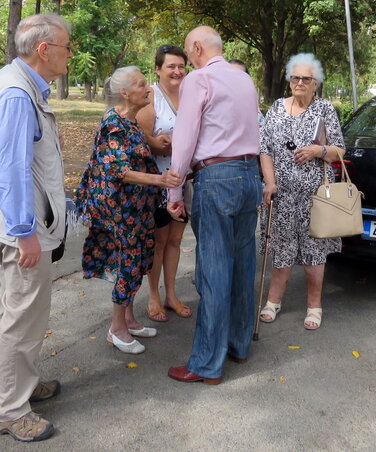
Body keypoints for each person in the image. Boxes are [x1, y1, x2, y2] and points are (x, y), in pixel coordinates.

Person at [0, 14, 73, 442]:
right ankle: (9, 411)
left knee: (24, 316)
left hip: (19, 226)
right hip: (22, 233)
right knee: (20, 319)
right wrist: (24, 232)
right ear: (44, 50)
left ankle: (23, 387)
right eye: (67, 47)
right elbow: (9, 169)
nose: (72, 54)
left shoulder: (15, 85)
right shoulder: (17, 93)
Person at [166, 26, 262, 384]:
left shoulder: (199, 79)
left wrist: (174, 190)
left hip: (216, 178)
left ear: (196, 47)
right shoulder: (244, 80)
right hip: (248, 176)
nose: (189, 59)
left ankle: (207, 363)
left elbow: (186, 134)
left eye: (190, 52)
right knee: (242, 265)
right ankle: (238, 345)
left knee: (215, 270)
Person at [74, 66, 181, 355]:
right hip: (119, 211)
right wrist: (160, 179)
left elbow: (142, 147)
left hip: (137, 209)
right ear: (124, 93)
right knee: (128, 263)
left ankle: (130, 320)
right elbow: (120, 171)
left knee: (140, 259)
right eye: (141, 84)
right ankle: (117, 328)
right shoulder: (113, 123)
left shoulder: (130, 122)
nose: (148, 89)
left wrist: (157, 143)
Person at [258, 53, 346, 330]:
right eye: (295, 77)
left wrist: (318, 150)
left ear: (315, 83)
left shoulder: (325, 110)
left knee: (313, 252)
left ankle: (314, 305)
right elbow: (265, 149)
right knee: (281, 248)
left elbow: (339, 151)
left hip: (314, 196)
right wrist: (270, 182)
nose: (299, 83)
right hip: (281, 194)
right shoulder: (275, 108)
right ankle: (273, 301)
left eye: (305, 79)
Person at [136, 45, 192, 323]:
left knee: (176, 240)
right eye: (171, 66)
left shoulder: (190, 95)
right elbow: (142, 138)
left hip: (185, 182)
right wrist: (159, 145)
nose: (177, 71)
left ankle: (171, 295)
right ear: (158, 69)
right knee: (159, 241)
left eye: (181, 66)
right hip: (158, 183)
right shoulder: (150, 97)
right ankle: (154, 296)